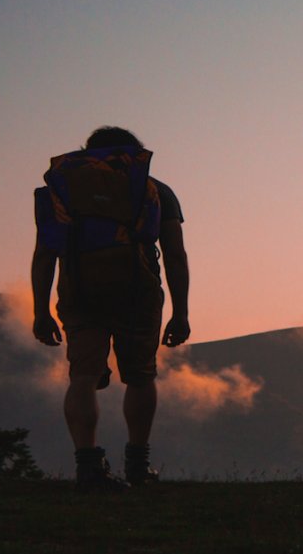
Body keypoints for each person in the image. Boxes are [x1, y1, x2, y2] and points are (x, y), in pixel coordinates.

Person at [31, 126, 190, 491]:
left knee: (82, 377)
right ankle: (137, 466)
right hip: (139, 291)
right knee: (140, 376)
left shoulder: (68, 189)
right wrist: (181, 312)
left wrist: (41, 310)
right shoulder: (156, 190)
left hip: (80, 291)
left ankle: (88, 467)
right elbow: (175, 255)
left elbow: (45, 254)